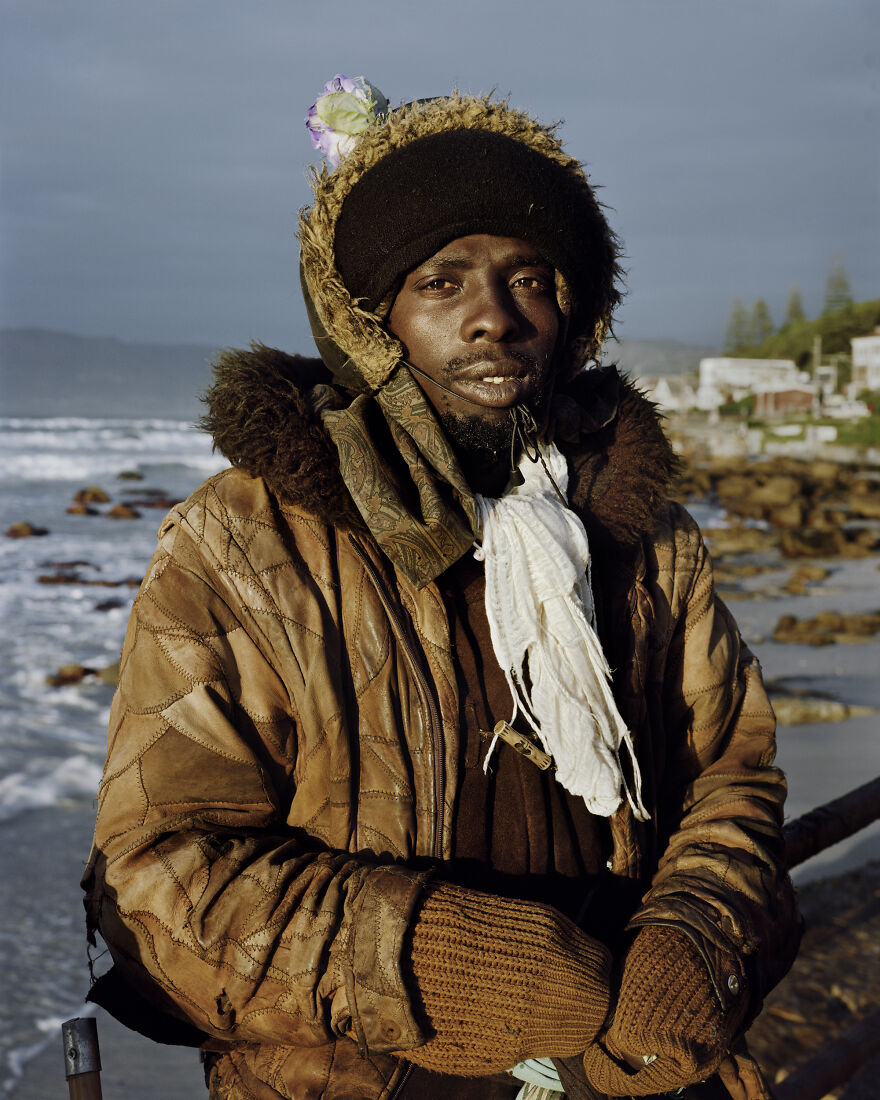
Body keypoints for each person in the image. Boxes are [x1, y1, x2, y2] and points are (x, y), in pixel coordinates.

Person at [83, 83, 800, 1100]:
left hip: (625, 1072)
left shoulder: (641, 533)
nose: (492, 320)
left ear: (573, 312)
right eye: (440, 280)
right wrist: (428, 960)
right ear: (372, 319)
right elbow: (158, 870)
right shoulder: (245, 540)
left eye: (528, 280)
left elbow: (731, 767)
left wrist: (697, 935)